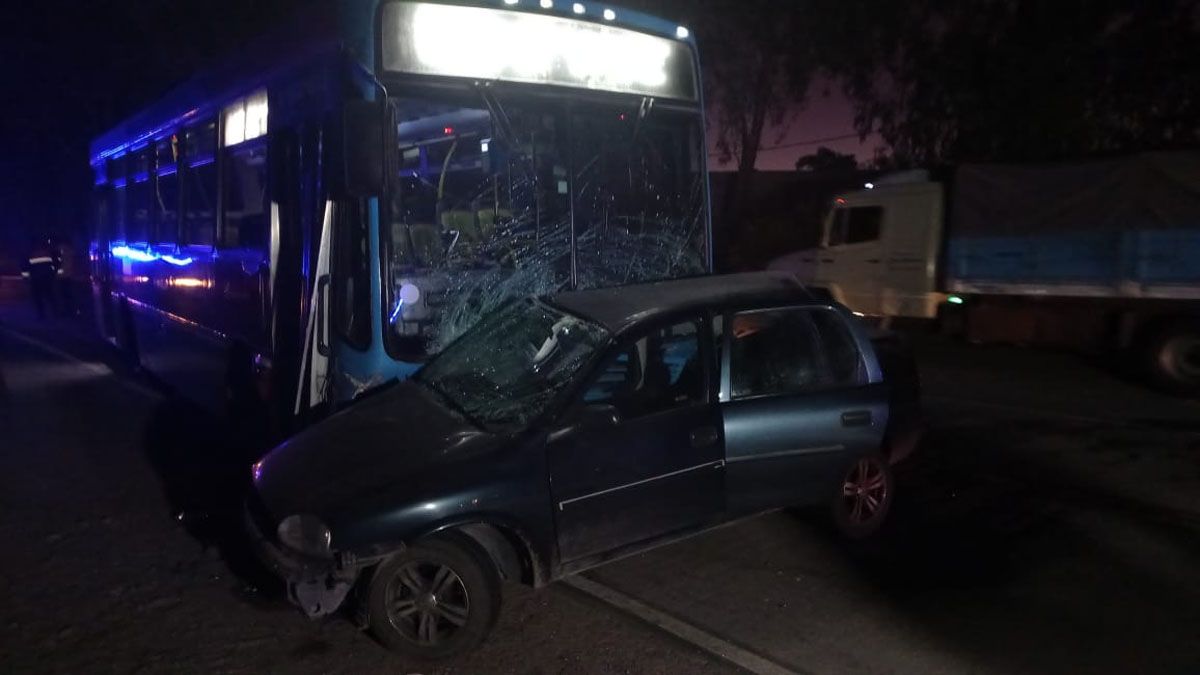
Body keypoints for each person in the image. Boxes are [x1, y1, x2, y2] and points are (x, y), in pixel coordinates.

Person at [21, 236, 61, 319]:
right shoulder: (48, 252)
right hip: (47, 277)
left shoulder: (30, 254)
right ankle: (56, 314)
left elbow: (25, 267)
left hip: (36, 279)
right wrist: (53, 273)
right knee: (50, 296)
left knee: (38, 297)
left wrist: (26, 278)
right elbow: (56, 263)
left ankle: (42, 315)